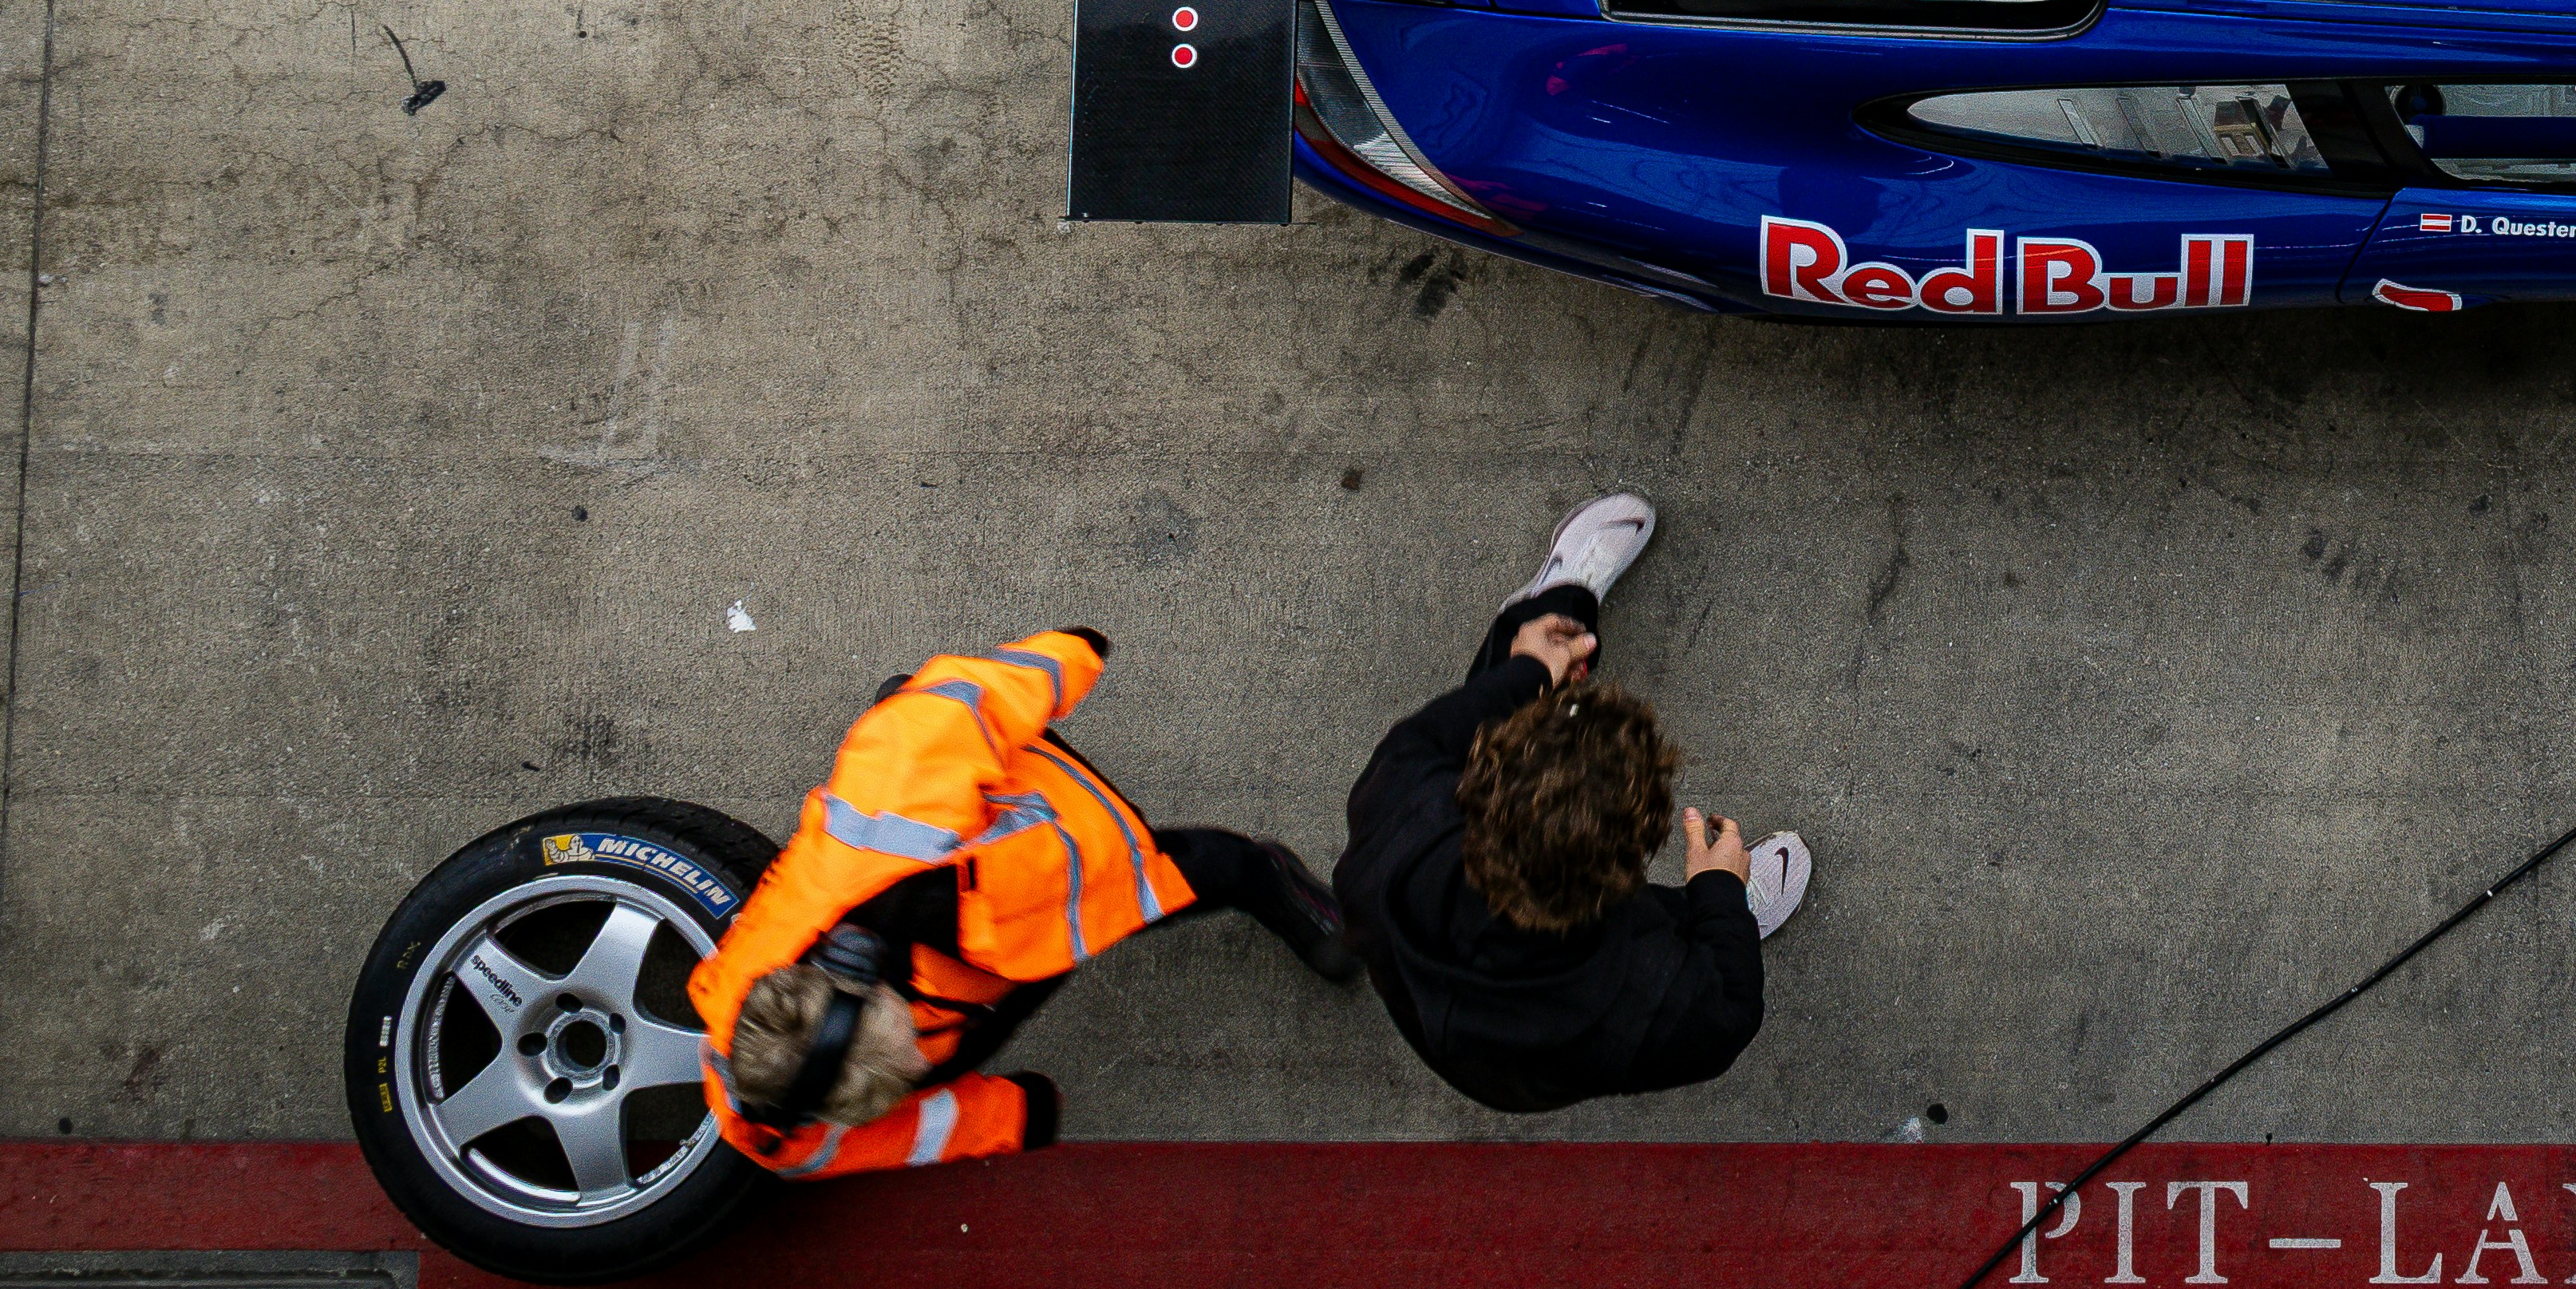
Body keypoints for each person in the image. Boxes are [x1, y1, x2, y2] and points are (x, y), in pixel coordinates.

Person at [692, 625, 1354, 1176]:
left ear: (855, 970)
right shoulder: (772, 1112)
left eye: (905, 1045)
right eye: (906, 1074)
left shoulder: (891, 826)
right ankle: (896, 700)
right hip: (993, 967)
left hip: (1033, 863)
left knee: (1205, 869)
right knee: (909, 720)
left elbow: (967, 702)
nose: (925, 1059)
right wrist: (1010, 1117)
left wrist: (1068, 654)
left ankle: (1267, 877)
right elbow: (871, 1140)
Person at [1340, 493, 1808, 1113]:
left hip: (1474, 1052)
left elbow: (1446, 730)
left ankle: (1552, 609)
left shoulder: (1401, 801)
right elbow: (1731, 1009)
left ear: (1481, 783)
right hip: (1547, 1030)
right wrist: (1719, 893)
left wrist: (1530, 669)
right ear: (1636, 850)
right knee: (1678, 924)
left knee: (1521, 661)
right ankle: (1721, 913)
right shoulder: (1658, 997)